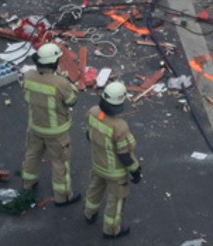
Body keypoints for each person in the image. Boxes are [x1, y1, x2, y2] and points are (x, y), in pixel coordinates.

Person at [20, 42, 80, 205]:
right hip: (56, 132)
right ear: (54, 63)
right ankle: (63, 196)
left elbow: (27, 94)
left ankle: (28, 184)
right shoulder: (60, 83)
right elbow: (71, 101)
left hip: (35, 127)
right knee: (60, 163)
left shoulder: (28, 76)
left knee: (32, 155)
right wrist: (69, 84)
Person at [83, 81, 142, 239]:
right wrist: (136, 171)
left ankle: (89, 214)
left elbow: (89, 135)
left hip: (97, 164)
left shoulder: (93, 112)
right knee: (115, 201)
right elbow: (124, 156)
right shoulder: (120, 127)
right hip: (115, 173)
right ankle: (111, 230)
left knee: (94, 190)